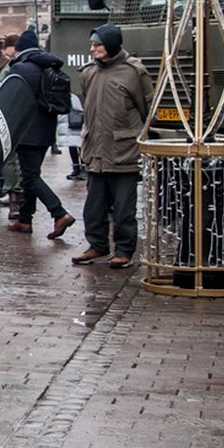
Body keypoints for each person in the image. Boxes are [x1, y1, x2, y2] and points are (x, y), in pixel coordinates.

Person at [73, 25, 153, 269]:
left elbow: (147, 110)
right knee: (93, 207)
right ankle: (97, 246)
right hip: (96, 150)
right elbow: (88, 105)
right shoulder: (88, 73)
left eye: (97, 44)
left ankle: (124, 250)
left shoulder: (134, 72)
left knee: (123, 209)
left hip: (123, 152)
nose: (92, 49)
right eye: (92, 44)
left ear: (111, 44)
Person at [0, 26, 75, 235]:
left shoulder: (20, 69)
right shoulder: (50, 66)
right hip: (46, 132)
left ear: (20, 49)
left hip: (26, 132)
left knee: (30, 177)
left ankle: (59, 213)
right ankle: (25, 218)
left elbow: (9, 101)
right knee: (31, 174)